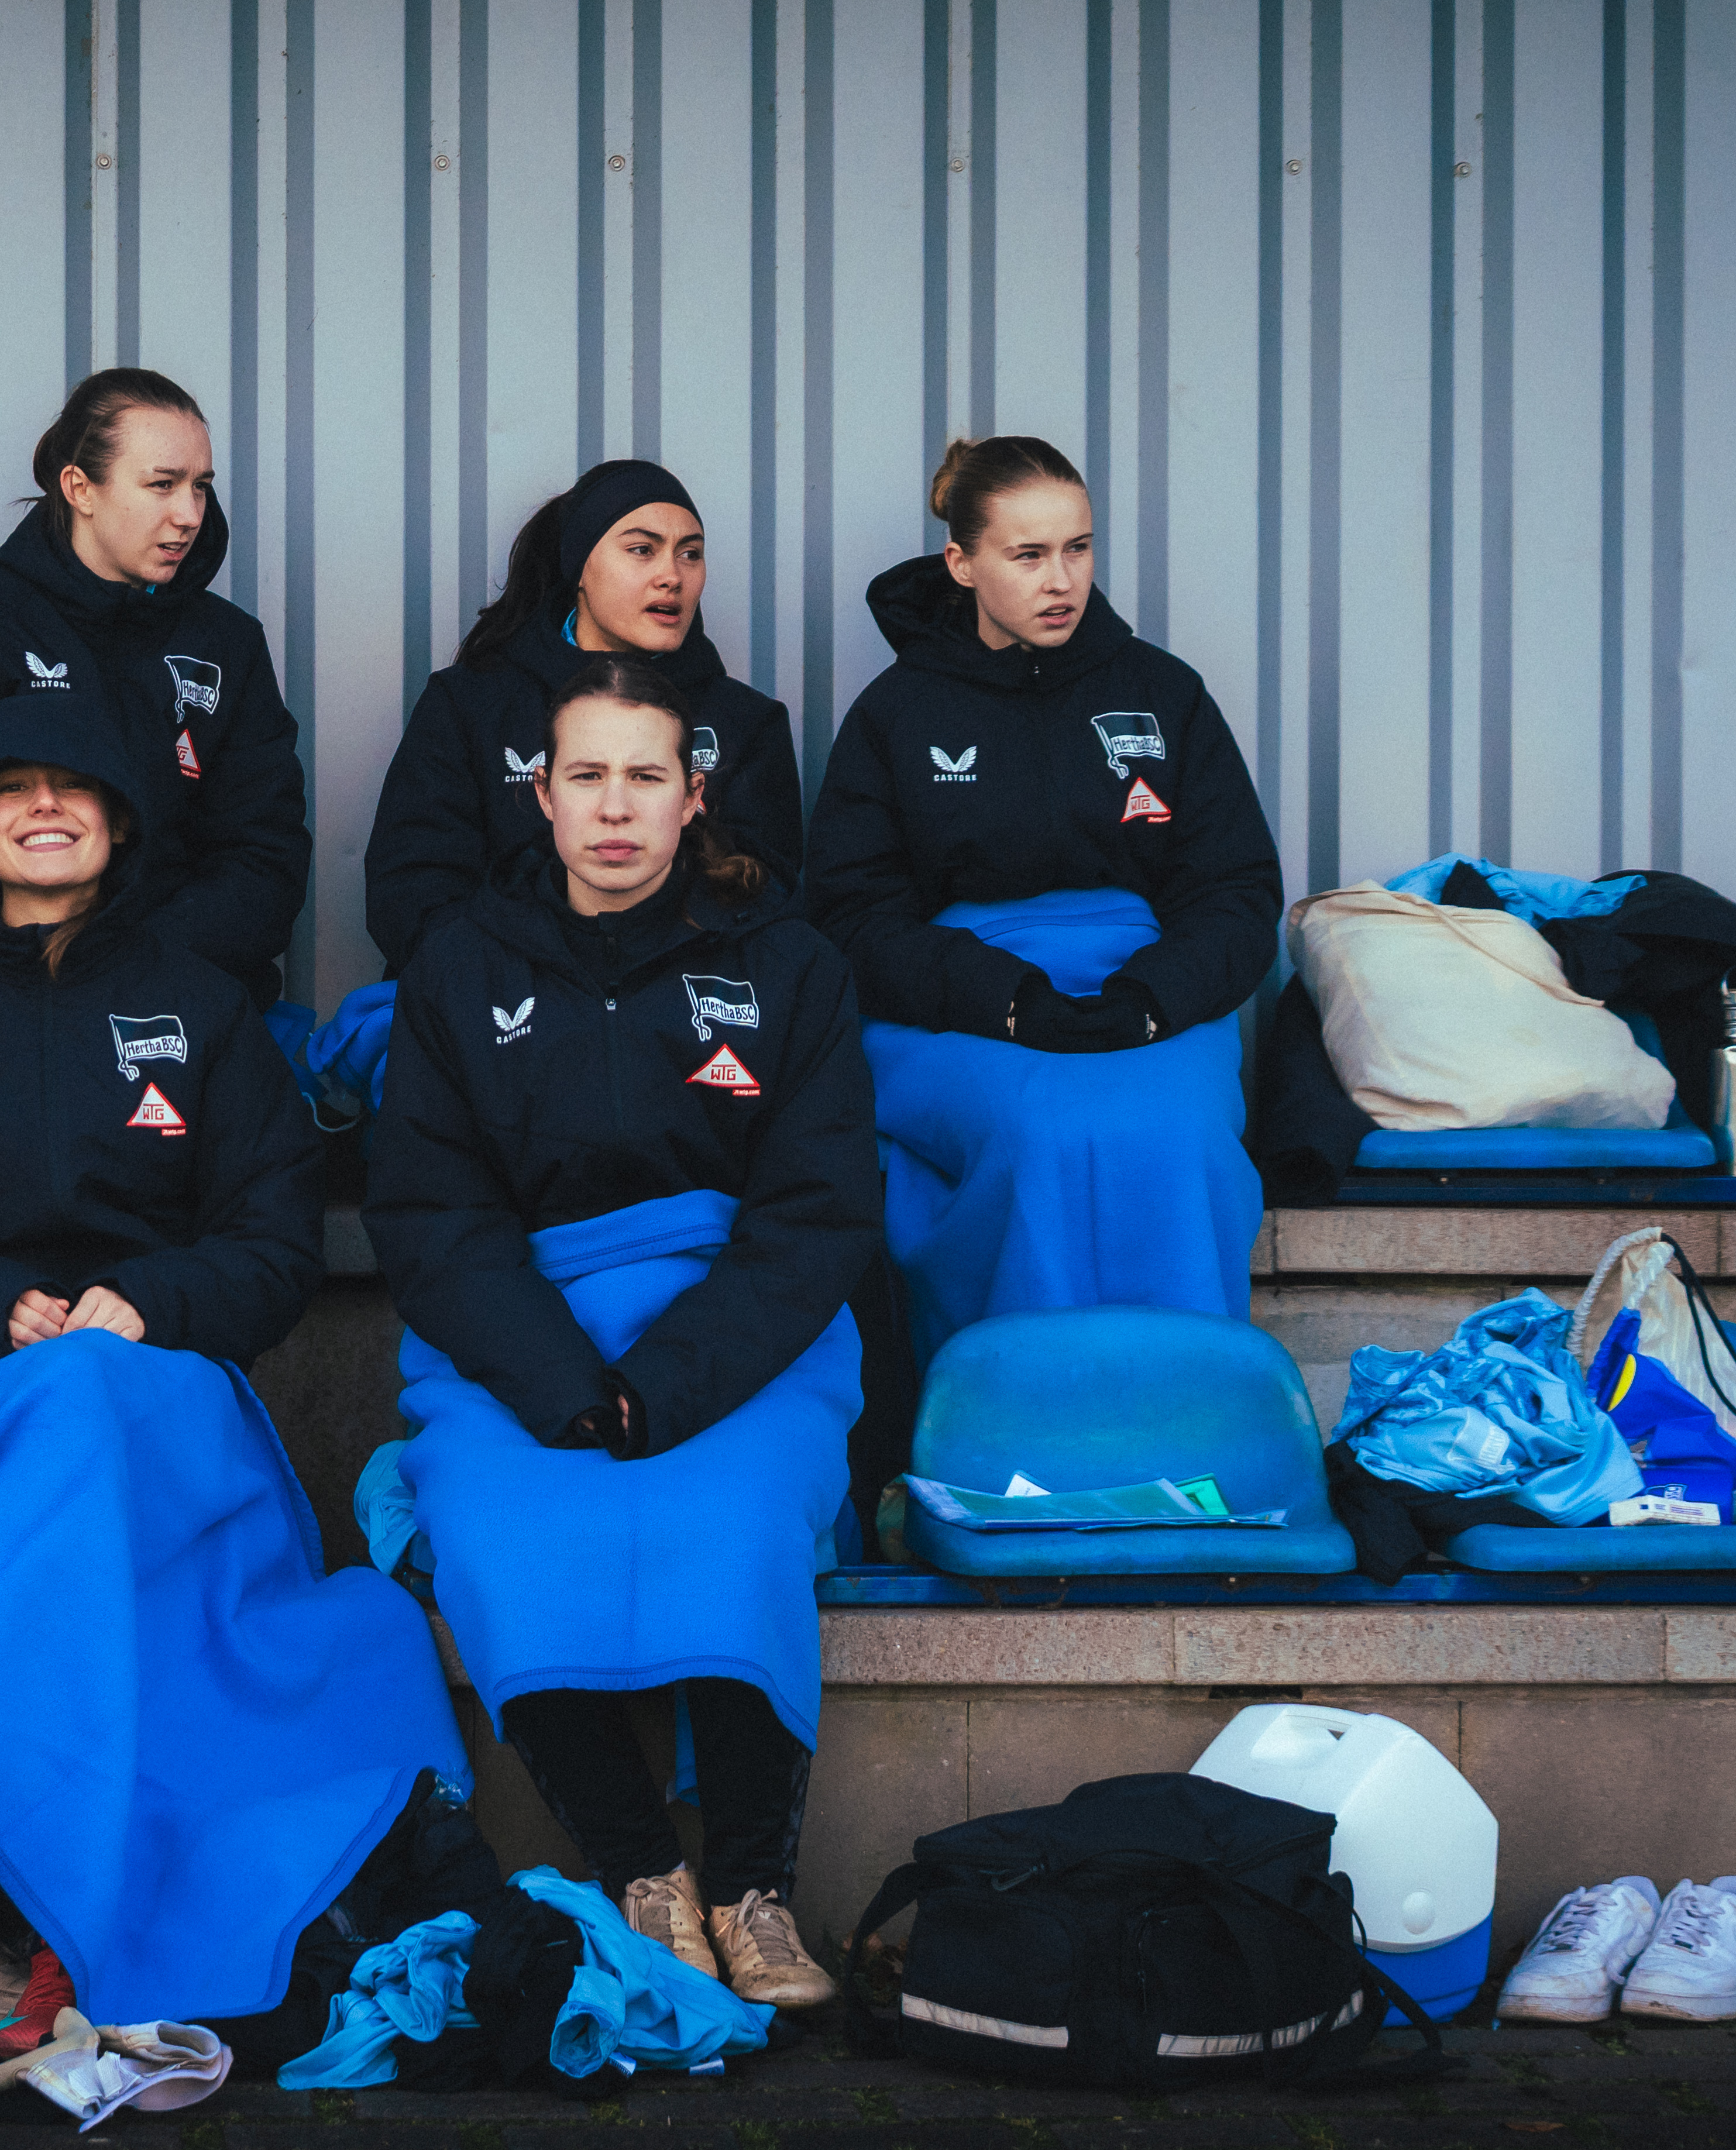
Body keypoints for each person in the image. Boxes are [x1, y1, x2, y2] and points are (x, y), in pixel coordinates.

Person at [0, 690, 463, 2053]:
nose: (44, 808)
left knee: (88, 1397)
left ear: (120, 823)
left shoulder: (205, 1018)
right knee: (58, 1398)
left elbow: (271, 1250)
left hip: (159, 1397)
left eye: (74, 789)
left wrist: (145, 1302)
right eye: (12, 789)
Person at [364, 651, 879, 2015]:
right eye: (583, 775)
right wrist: (553, 1382)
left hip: (735, 1339)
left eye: (642, 777)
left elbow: (819, 1213)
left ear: (692, 795)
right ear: (538, 793)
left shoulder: (786, 965)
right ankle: (643, 1872)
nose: (612, 808)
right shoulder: (460, 967)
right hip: (514, 1344)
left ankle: (752, 1889)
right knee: (499, 1528)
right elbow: (425, 1209)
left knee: (741, 1518)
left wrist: (665, 1384)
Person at [803, 436, 1280, 1357]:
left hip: (1145, 991)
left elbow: (1236, 889)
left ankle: (1188, 1415)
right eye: (1028, 555)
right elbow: (849, 915)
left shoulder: (1163, 694)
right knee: (1040, 1132)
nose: (1061, 580)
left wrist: (1150, 1000)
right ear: (963, 563)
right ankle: (1020, 1431)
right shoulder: (896, 714)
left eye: (1079, 548)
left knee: (1177, 1133)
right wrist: (1004, 998)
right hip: (956, 1005)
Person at [0, 367, 310, 1003]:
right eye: (162, 484)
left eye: (200, 487)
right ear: (80, 487)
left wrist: (140, 969)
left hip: (179, 1005)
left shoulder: (226, 646)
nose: (190, 514)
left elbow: (263, 855)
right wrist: (9, 962)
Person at [362, 458, 804, 977]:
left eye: (691, 554)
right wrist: (545, 999)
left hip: (674, 1016)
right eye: (642, 550)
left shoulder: (748, 722)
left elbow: (765, 901)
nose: (672, 576)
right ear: (579, 570)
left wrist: (633, 1000)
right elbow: (412, 893)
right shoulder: (470, 703)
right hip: (497, 1003)